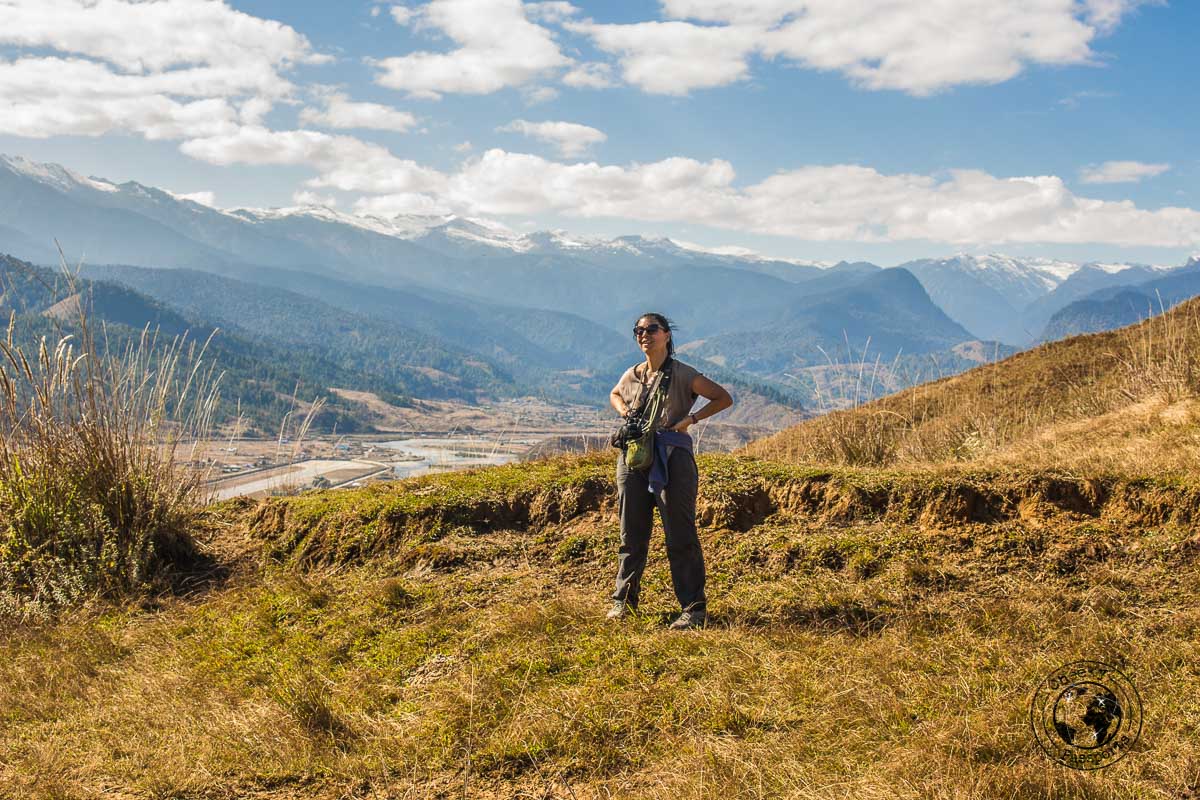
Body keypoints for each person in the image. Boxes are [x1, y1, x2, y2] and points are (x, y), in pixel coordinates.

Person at [607, 313, 733, 630]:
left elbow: (722, 397)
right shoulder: (633, 374)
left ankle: (693, 609)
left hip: (672, 458)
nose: (644, 334)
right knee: (630, 534)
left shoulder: (682, 373)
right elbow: (614, 394)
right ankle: (623, 603)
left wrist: (691, 420)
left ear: (666, 335)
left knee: (680, 534)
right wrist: (625, 412)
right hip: (634, 457)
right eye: (639, 330)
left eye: (651, 329)